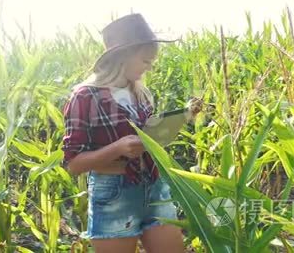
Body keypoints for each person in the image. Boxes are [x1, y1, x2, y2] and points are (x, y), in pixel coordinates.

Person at [61, 13, 202, 253]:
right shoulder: (85, 97)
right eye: (145, 60)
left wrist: (183, 117)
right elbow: (73, 164)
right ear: (122, 56)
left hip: (156, 188)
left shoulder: (140, 94)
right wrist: (117, 148)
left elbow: (149, 135)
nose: (150, 66)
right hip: (115, 194)